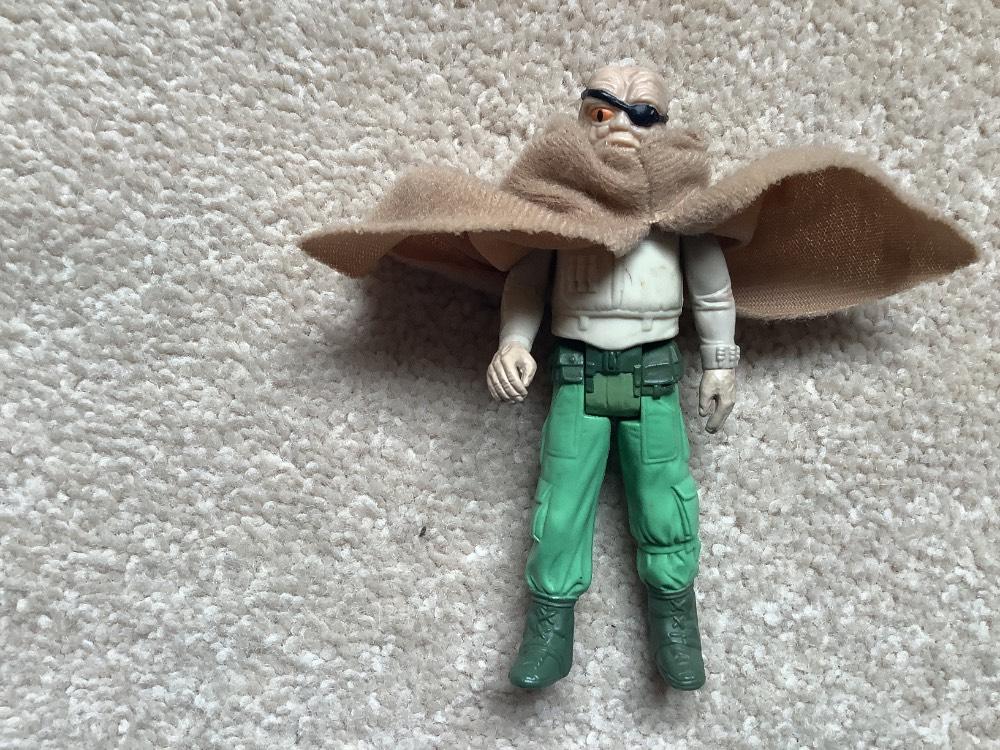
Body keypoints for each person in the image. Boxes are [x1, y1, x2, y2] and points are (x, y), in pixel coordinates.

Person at [487, 65, 737, 690]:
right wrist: (514, 341)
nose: (622, 124)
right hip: (578, 378)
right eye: (602, 111)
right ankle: (548, 628)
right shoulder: (564, 204)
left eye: (642, 113)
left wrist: (721, 362)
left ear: (664, 127)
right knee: (560, 505)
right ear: (581, 121)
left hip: (654, 382)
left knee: (666, 501)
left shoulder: (682, 210)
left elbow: (713, 291)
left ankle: (676, 621)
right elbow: (526, 279)